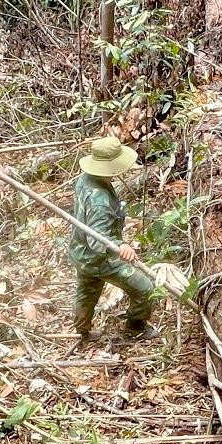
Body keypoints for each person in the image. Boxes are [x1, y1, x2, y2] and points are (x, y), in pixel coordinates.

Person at [69, 137, 157, 343]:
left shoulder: (85, 178)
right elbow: (98, 241)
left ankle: (82, 331)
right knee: (144, 288)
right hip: (100, 257)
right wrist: (120, 245)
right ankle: (135, 326)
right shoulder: (100, 201)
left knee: (87, 290)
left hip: (80, 252)